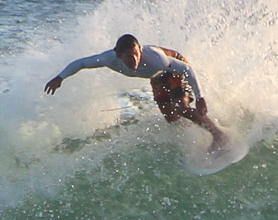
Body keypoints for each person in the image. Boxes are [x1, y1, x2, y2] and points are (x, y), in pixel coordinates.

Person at [44, 34, 229, 153]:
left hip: (175, 70)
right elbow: (81, 63)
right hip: (157, 78)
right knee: (172, 118)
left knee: (181, 107)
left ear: (140, 50)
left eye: (136, 54)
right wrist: (60, 77)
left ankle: (218, 135)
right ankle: (198, 132)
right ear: (119, 55)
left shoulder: (157, 59)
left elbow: (186, 69)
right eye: (129, 57)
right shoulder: (109, 59)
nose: (135, 60)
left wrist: (200, 97)